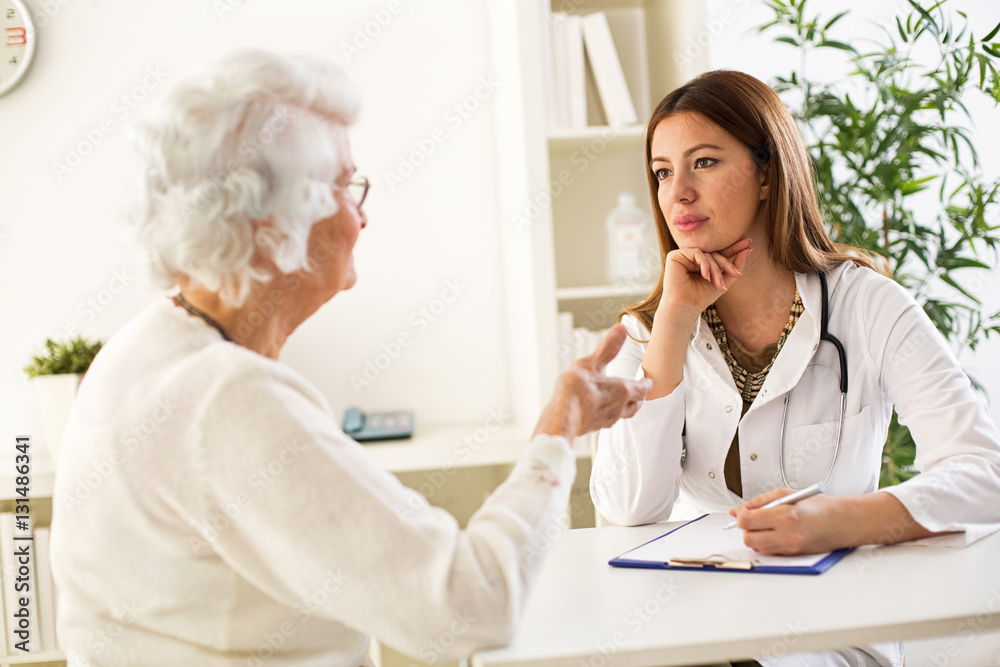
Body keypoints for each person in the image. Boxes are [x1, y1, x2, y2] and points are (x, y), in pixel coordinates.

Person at [48, 50, 652, 666]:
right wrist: (561, 426)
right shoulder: (223, 396)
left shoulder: (148, 347)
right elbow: (474, 605)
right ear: (270, 216)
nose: (362, 214)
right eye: (345, 185)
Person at [589, 70, 1000, 667]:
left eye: (703, 162)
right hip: (693, 619)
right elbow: (629, 508)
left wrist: (840, 520)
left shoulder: (868, 305)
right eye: (662, 171)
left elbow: (985, 473)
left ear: (766, 172)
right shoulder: (648, 332)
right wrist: (674, 324)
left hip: (829, 625)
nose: (677, 193)